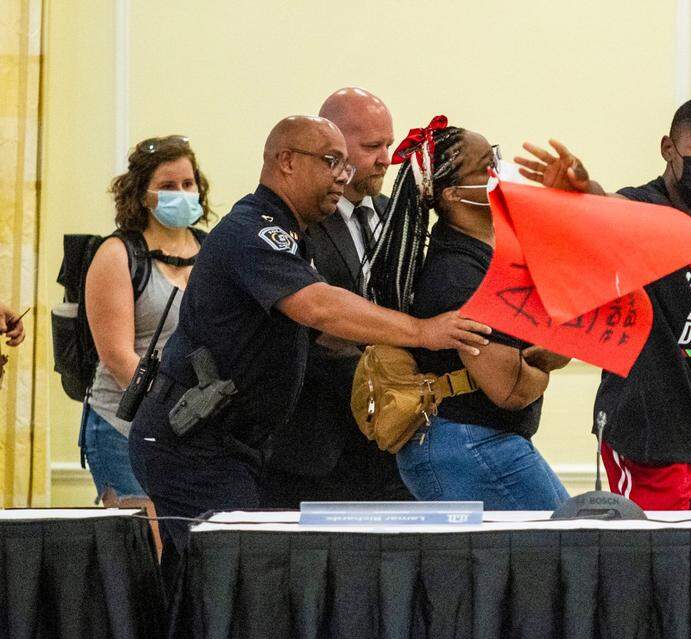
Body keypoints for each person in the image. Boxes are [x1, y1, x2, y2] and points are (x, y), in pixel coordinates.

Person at [128, 115, 491, 564]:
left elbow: (323, 330)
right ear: (286, 161)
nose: (344, 174)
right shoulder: (254, 231)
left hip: (234, 443)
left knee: (229, 584)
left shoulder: (289, 232)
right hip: (196, 445)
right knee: (227, 583)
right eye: (331, 161)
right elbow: (318, 307)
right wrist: (422, 331)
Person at [518, 96, 691, 511]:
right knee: (649, 564)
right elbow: (605, 207)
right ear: (669, 149)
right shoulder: (643, 210)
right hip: (643, 434)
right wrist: (581, 193)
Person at [367, 118, 572, 510]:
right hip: (468, 443)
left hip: (483, 440)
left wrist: (539, 355)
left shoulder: (485, 260)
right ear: (454, 195)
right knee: (561, 552)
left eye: (495, 157)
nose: (500, 172)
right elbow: (509, 390)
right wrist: (546, 360)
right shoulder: (457, 275)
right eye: (486, 167)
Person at [261, 88, 413, 507]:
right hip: (313, 442)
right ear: (334, 149)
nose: (387, 158)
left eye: (389, 144)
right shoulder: (296, 219)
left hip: (389, 438)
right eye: (372, 147)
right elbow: (313, 319)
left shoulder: (394, 211)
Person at [84, 135, 207, 506]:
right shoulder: (117, 254)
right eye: (168, 187)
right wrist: (176, 411)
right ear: (140, 194)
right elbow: (118, 358)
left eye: (188, 184)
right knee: (142, 548)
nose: (182, 193)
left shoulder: (211, 249)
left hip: (193, 427)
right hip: (123, 426)